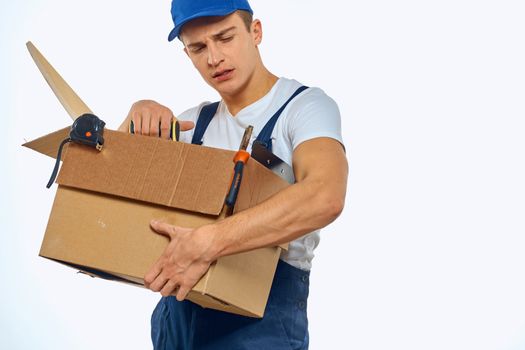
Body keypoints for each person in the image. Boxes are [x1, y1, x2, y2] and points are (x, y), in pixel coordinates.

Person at [118, 0, 348, 349]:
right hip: (177, 318)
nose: (213, 58)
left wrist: (209, 241)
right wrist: (135, 116)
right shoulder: (192, 124)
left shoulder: (304, 108)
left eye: (225, 37)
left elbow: (325, 195)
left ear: (256, 32)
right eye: (198, 47)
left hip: (261, 323)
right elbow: (113, 184)